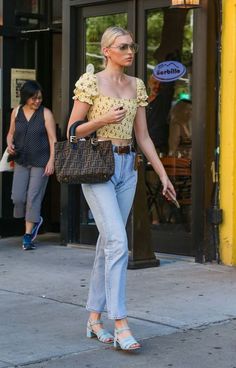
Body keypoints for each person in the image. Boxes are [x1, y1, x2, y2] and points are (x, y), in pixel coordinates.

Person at [67, 26, 176, 351]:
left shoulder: (137, 85)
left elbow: (143, 137)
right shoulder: (91, 82)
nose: (130, 51)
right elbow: (72, 131)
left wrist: (164, 175)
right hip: (99, 165)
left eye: (133, 46)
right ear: (107, 51)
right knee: (117, 242)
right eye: (123, 46)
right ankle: (120, 322)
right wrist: (100, 122)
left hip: (128, 169)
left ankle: (93, 317)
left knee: (107, 246)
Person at [6, 80, 57, 250]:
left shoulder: (46, 114)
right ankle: (35, 219)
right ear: (25, 97)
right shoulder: (16, 112)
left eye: (40, 98)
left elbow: (53, 140)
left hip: (41, 161)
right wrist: (9, 144)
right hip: (21, 160)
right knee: (18, 197)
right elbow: (10, 133)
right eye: (33, 98)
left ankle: (28, 236)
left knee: (33, 198)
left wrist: (51, 161)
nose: (37, 101)